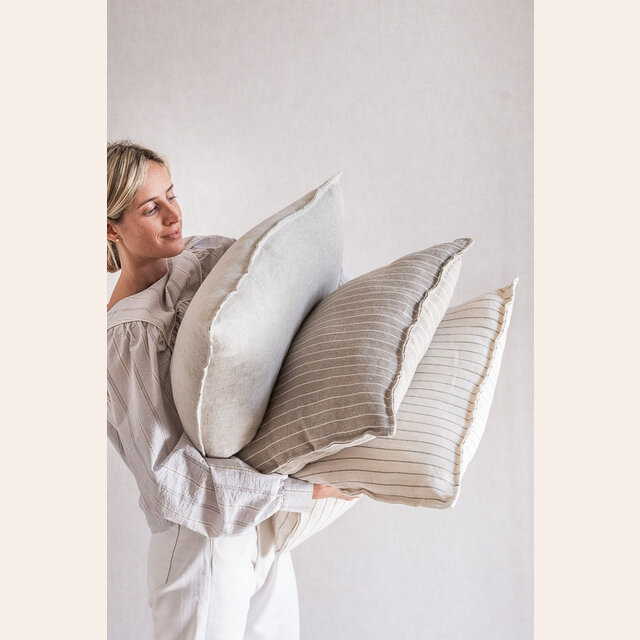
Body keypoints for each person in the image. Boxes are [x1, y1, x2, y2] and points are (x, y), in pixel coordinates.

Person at [106, 140, 356, 640]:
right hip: (200, 544)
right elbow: (169, 479)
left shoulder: (204, 257)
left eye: (172, 195)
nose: (173, 215)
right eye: (151, 208)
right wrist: (303, 492)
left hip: (259, 526)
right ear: (111, 229)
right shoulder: (127, 334)